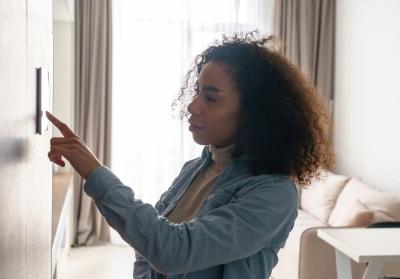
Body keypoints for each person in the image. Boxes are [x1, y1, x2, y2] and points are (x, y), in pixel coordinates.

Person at [47, 32, 334, 279]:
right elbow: (147, 246)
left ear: (254, 112)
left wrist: (96, 173)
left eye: (211, 97)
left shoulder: (274, 192)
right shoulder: (195, 168)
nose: (193, 106)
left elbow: (172, 250)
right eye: (196, 92)